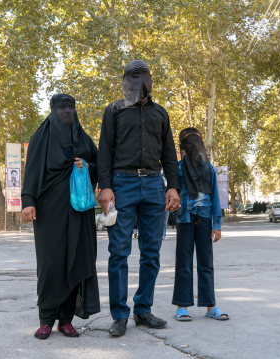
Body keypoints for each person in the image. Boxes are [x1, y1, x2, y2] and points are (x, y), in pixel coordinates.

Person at [98, 60, 180, 337]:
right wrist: (105, 187)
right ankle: (119, 315)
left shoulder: (160, 113)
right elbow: (105, 151)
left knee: (151, 252)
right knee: (118, 253)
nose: (139, 81)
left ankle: (143, 310)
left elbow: (169, 153)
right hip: (122, 185)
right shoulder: (114, 110)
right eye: (133, 77)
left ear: (150, 80)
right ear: (125, 80)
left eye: (143, 76)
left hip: (155, 185)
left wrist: (173, 188)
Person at [21, 94, 100, 340]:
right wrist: (28, 201)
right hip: (49, 210)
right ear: (53, 110)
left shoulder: (84, 139)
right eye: (62, 108)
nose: (67, 112)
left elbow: (100, 164)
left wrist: (87, 166)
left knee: (76, 260)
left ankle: (65, 321)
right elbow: (32, 169)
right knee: (51, 263)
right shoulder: (40, 138)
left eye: (71, 108)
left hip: (80, 211)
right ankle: (46, 319)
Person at [172, 127, 228, 322]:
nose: (194, 146)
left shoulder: (208, 169)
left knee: (206, 264)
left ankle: (210, 306)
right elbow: (170, 196)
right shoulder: (177, 169)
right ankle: (182, 306)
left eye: (197, 142)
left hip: (204, 219)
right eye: (189, 142)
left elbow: (215, 197)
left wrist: (217, 225)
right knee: (184, 264)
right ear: (183, 147)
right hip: (184, 219)